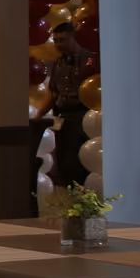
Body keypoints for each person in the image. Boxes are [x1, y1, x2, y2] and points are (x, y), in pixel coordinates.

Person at [42, 22, 92, 188]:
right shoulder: (58, 62)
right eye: (55, 40)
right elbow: (53, 92)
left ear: (74, 38)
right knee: (64, 160)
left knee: (79, 160)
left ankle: (83, 199)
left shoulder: (89, 59)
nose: (58, 44)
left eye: (62, 40)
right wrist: (38, 115)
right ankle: (69, 198)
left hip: (83, 115)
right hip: (62, 116)